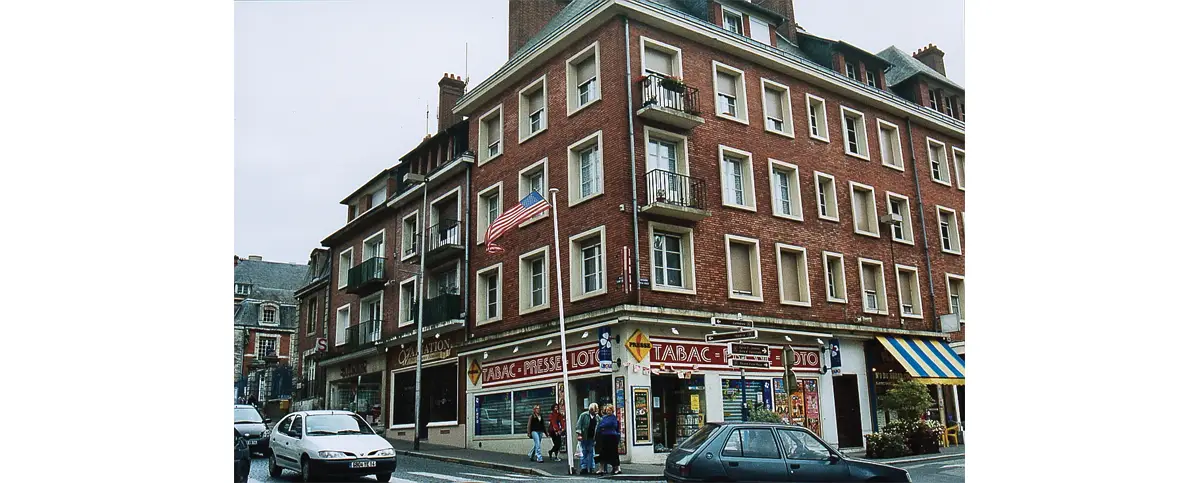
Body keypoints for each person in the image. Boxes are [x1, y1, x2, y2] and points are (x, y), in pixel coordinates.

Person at [596, 404, 621, 476]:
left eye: (609, 410)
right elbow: (599, 426)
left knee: (614, 453)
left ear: (612, 410)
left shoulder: (613, 417)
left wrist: (604, 426)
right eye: (607, 410)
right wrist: (603, 426)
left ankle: (616, 468)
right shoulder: (604, 417)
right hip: (604, 437)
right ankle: (601, 469)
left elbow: (613, 425)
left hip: (612, 437)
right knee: (602, 452)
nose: (608, 411)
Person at [574, 403, 599, 475]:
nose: (595, 412)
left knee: (591, 453)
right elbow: (578, 425)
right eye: (594, 410)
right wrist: (579, 434)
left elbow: (599, 424)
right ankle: (584, 468)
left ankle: (591, 468)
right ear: (590, 410)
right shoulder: (584, 415)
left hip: (592, 437)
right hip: (584, 436)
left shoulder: (597, 417)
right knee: (584, 452)